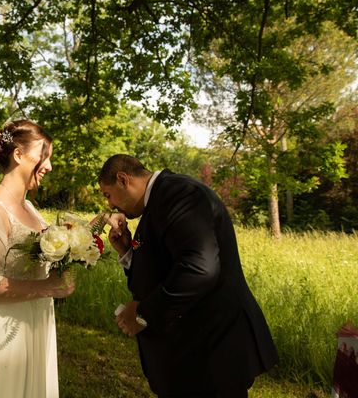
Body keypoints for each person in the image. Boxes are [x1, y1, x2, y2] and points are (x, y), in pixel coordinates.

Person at [98, 154, 278, 398]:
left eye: (108, 195)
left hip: (211, 351)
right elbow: (165, 266)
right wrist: (128, 253)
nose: (110, 205)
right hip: (191, 354)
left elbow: (199, 268)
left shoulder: (181, 195)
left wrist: (143, 313)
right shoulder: (158, 201)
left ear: (123, 179)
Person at [0, 120, 76, 398]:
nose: (49, 166)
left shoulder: (31, 208)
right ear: (19, 155)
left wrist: (81, 241)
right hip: (3, 332)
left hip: (36, 324)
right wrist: (50, 287)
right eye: (43, 156)